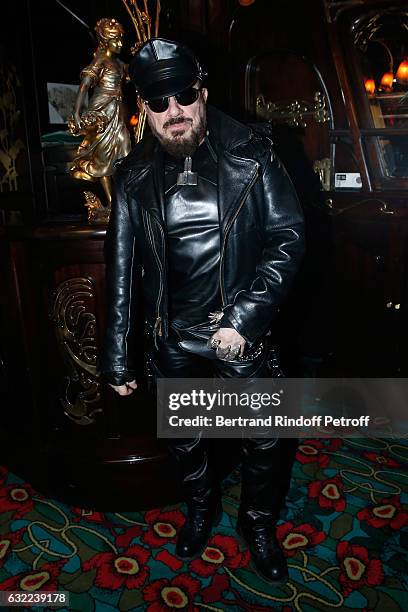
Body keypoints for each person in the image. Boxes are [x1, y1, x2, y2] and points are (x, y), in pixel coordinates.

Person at [99, 38, 305, 584]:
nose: (175, 112)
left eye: (184, 96)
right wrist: (117, 358)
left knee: (264, 439)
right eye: (159, 103)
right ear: (143, 109)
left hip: (238, 334)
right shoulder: (132, 177)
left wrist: (246, 318)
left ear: (203, 93)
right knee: (186, 441)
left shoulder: (253, 153)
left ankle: (257, 525)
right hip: (173, 338)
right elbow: (120, 270)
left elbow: (288, 237)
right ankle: (199, 511)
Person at [69, 18, 131, 205]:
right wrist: (77, 112)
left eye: (121, 39)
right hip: (102, 112)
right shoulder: (100, 61)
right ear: (105, 41)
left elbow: (134, 75)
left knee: (125, 150)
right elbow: (84, 86)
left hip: (118, 114)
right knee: (103, 158)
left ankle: (124, 198)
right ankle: (112, 202)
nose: (120, 43)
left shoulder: (120, 64)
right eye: (116, 40)